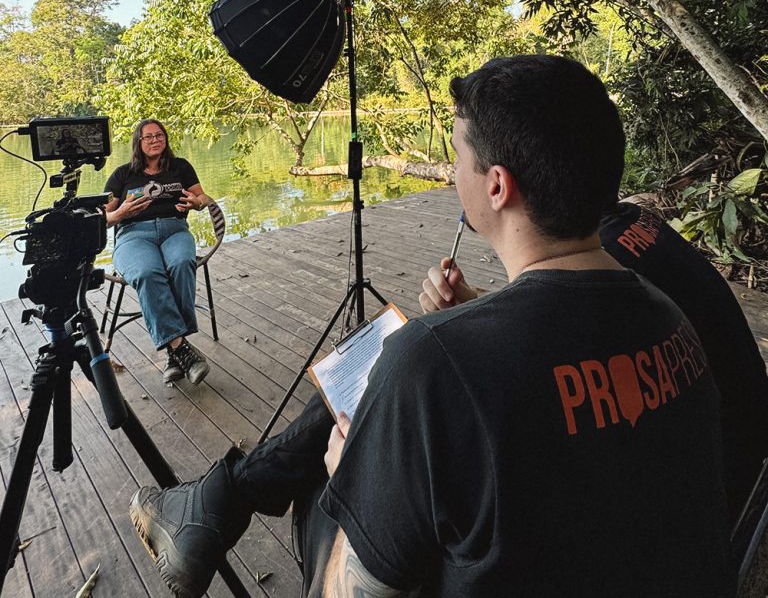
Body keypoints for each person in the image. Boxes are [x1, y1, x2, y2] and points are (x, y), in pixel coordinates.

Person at [129, 56, 733, 598]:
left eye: (458, 159)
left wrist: (355, 476)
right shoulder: (668, 315)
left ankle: (215, 505)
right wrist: (479, 309)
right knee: (394, 369)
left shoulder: (433, 362)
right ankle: (215, 503)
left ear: (497, 186)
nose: (452, 173)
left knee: (364, 403)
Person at [421, 200, 768, 527]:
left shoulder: (605, 276)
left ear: (499, 184)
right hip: (742, 463)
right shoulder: (628, 223)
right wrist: (476, 303)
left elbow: (539, 331)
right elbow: (548, 305)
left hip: (721, 509)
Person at [104, 118, 212, 386]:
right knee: (146, 272)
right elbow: (102, 217)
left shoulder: (181, 167)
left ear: (166, 139)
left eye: (159, 135)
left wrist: (195, 203)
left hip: (174, 229)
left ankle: (175, 353)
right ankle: (180, 348)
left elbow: (204, 198)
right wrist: (121, 213)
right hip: (133, 235)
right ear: (138, 143)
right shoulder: (122, 174)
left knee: (181, 263)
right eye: (148, 137)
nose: (154, 140)